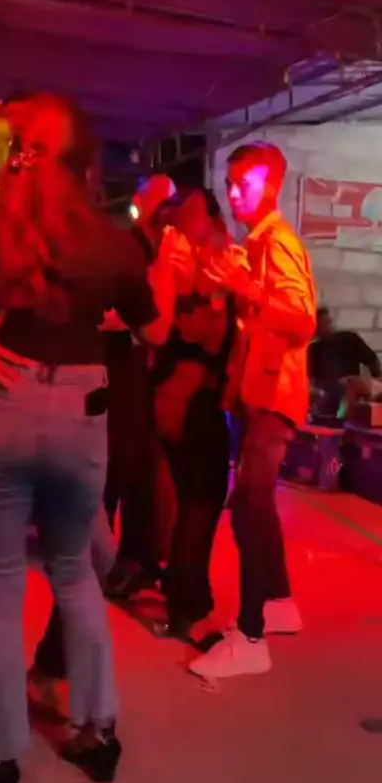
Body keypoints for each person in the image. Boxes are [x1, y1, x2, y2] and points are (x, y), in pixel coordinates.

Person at [0, 93, 175, 783]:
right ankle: (97, 733)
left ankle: (1, 759)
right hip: (81, 414)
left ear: (19, 155)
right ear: (86, 162)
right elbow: (153, 332)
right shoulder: (112, 240)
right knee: (75, 572)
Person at [189, 141, 316, 679]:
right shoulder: (257, 243)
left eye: (245, 182)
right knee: (255, 504)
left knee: (247, 504)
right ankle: (278, 603)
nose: (234, 192)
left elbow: (303, 319)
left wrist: (251, 290)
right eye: (230, 182)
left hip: (274, 394)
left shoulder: (278, 243)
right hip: (258, 391)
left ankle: (251, 636)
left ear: (273, 186)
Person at [152, 189, 236, 648]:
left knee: (193, 500)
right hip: (190, 394)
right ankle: (189, 609)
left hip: (174, 393)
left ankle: (186, 600)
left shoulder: (174, 262)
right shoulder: (197, 269)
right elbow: (205, 331)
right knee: (201, 503)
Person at [103, 174, 177, 598]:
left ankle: (136, 558)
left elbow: (160, 325)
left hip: (155, 373)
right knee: (118, 462)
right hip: (124, 366)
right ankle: (107, 555)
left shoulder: (169, 250)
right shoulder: (131, 246)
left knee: (139, 468)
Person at [308, 306, 381, 420]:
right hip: (328, 394)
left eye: (327, 321)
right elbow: (310, 380)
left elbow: (372, 361)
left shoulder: (348, 338)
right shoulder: (313, 350)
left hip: (352, 390)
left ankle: (341, 416)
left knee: (351, 385)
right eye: (321, 323)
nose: (326, 325)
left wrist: (376, 385)